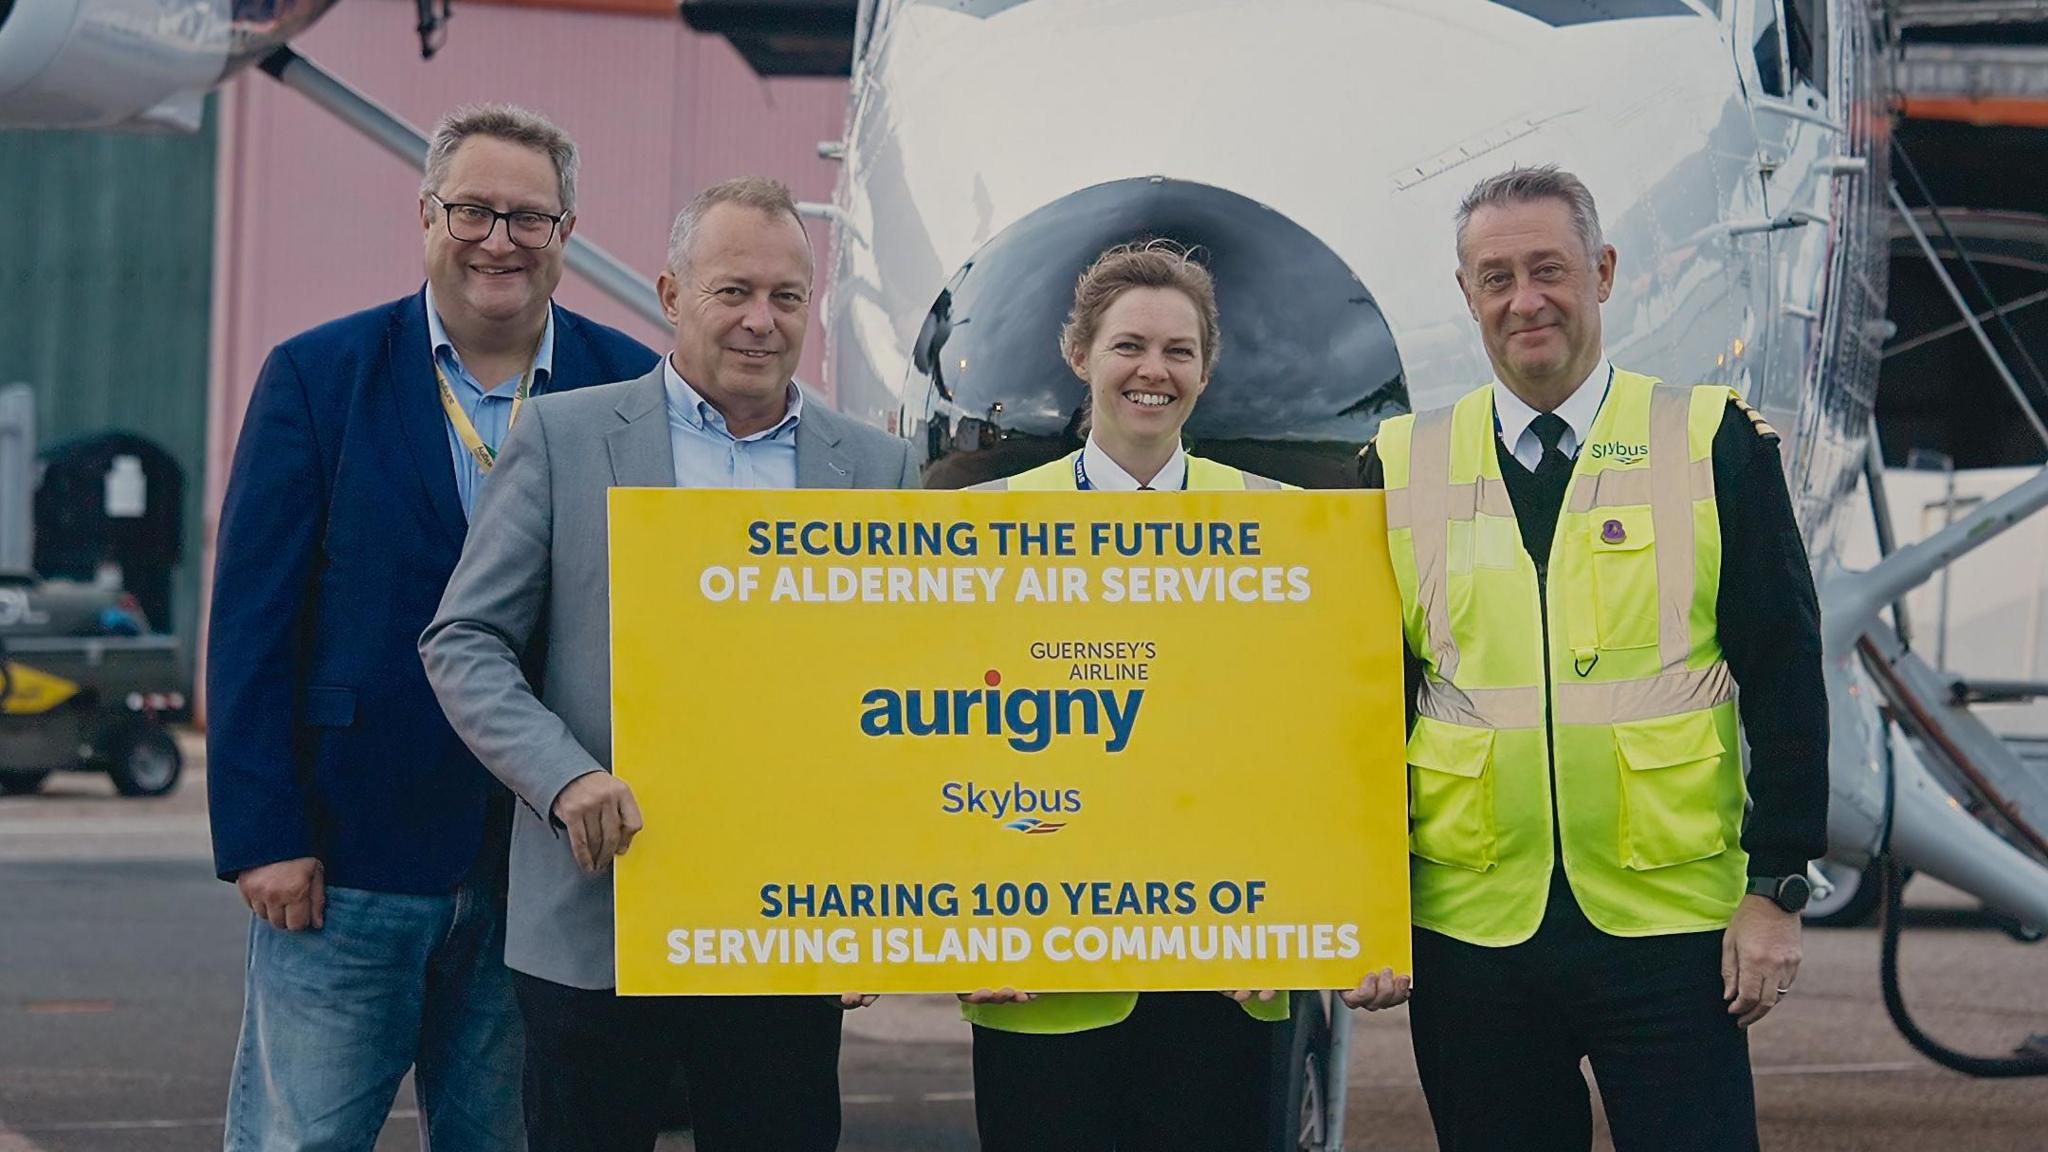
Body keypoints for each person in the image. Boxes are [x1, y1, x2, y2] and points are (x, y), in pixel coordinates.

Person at [420, 176, 918, 1152]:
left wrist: (876, 897)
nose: (760, 322)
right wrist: (563, 777)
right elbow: (464, 641)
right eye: (731, 291)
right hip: (597, 919)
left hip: (785, 929)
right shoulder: (565, 439)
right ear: (669, 295)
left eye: (785, 297)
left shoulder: (876, 470)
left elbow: (900, 689)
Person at [207, 104, 657, 1149]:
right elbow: (252, 626)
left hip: (545, 870)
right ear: (424, 215)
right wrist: (262, 836)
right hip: (346, 859)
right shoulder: (319, 378)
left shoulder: (631, 386)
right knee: (301, 1140)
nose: (499, 239)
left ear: (566, 234)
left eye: (528, 218)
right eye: (473, 211)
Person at [1355, 164, 1829, 1152]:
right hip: (1471, 934)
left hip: (1667, 933)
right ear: (1465, 295)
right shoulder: (1396, 467)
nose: (1523, 301)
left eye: (1547, 270)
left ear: (1602, 273)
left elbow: (1783, 674)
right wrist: (1364, 904)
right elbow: (1357, 708)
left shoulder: (1711, 444)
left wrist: (1774, 890)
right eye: (1494, 278)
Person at [967, 239, 1405, 1150]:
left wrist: (1334, 912)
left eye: (1179, 350)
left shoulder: (1288, 529)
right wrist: (965, 928)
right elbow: (945, 739)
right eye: (1129, 345)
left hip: (1228, 973)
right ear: (1079, 354)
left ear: (1206, 371)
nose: (1152, 371)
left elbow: (1329, 741)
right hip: (1041, 981)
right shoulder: (984, 528)